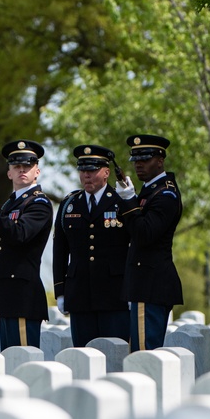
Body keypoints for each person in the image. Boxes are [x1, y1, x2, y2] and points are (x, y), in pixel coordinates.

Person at [0, 140, 53, 350]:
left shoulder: (39, 203)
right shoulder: (9, 204)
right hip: (8, 291)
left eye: (28, 165)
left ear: (37, 171)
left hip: (23, 293)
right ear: (9, 173)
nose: (22, 170)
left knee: (23, 358)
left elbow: (18, 234)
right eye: (16, 166)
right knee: (10, 357)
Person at [52, 144, 131, 346]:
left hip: (114, 295)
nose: (86, 175)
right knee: (82, 354)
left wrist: (133, 289)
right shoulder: (69, 204)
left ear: (106, 172)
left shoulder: (121, 201)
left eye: (92, 170)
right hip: (79, 295)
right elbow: (60, 250)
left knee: (115, 354)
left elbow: (134, 246)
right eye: (83, 170)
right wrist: (60, 291)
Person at [115, 135, 183, 351]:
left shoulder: (165, 194)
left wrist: (128, 200)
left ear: (160, 161)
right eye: (136, 160)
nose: (139, 164)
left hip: (151, 284)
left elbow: (144, 234)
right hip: (142, 283)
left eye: (145, 159)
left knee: (145, 356)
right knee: (139, 353)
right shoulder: (148, 190)